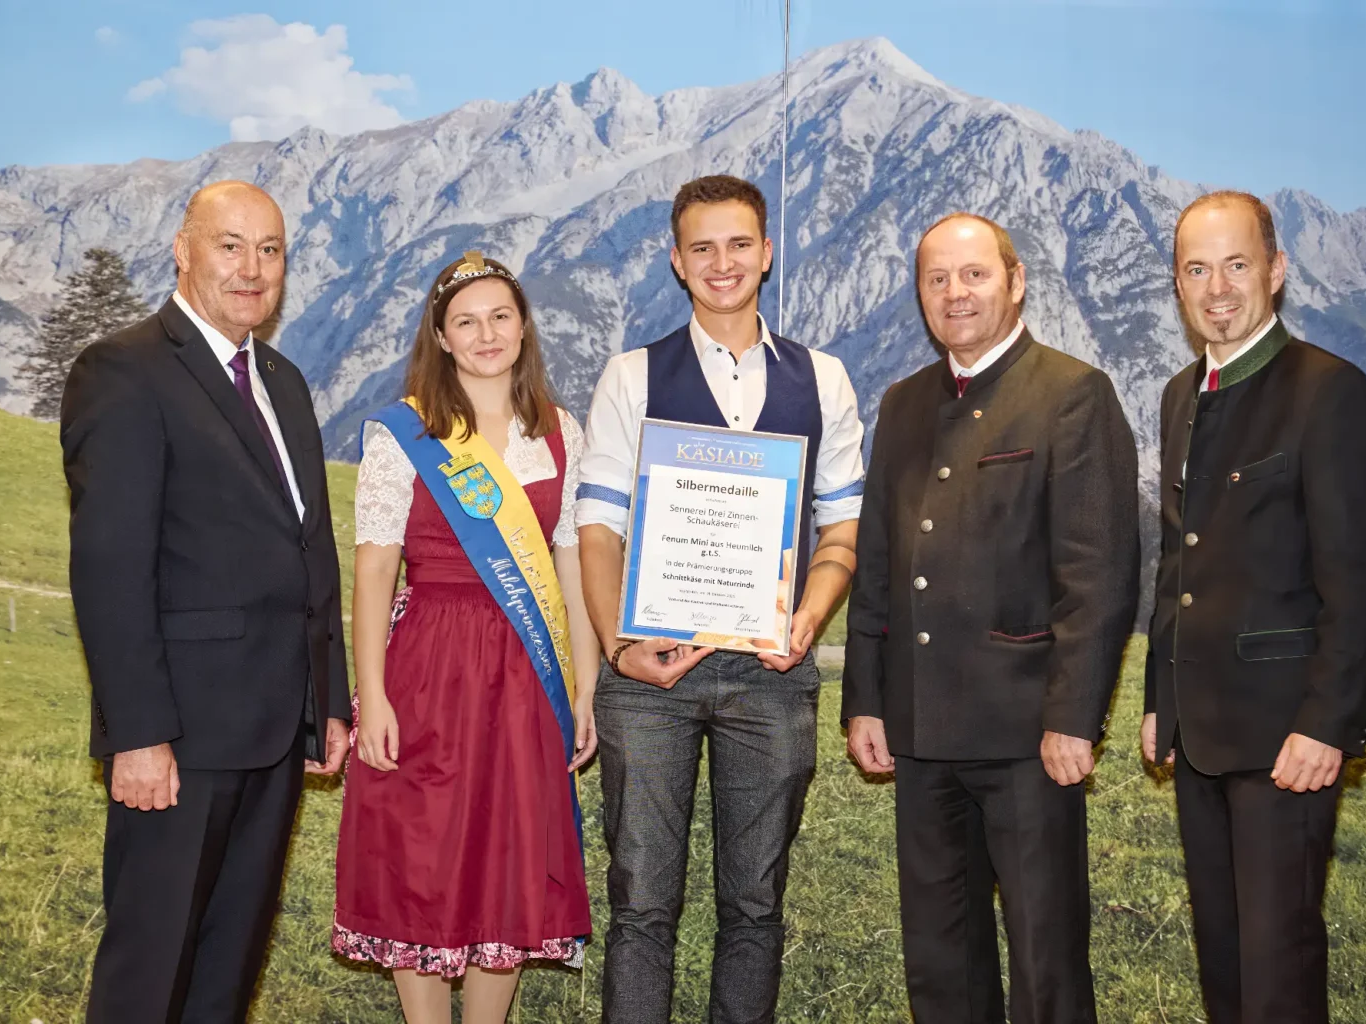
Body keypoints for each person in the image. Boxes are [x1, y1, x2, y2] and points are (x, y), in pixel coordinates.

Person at [575, 174, 866, 1023]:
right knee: (640, 906)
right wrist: (621, 648)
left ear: (767, 253)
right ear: (676, 261)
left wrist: (808, 618)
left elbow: (841, 532)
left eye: (739, 244)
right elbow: (599, 530)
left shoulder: (826, 380)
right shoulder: (632, 376)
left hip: (771, 675)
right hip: (649, 678)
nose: (722, 262)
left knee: (754, 907)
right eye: (701, 247)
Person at [62, 180, 351, 1023]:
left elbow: (310, 548)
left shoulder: (284, 381)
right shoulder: (124, 369)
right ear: (182, 250)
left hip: (273, 735)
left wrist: (324, 700)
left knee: (227, 974)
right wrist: (139, 735)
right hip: (179, 742)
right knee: (149, 979)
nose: (252, 269)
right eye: (230, 245)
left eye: (270, 250)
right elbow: (111, 569)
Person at [843, 213, 1139, 1023]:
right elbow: (877, 566)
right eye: (936, 279)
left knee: (1046, 963)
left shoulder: (1073, 393)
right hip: (921, 729)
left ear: (1015, 282)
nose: (954, 293)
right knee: (942, 962)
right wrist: (866, 699)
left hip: (1028, 736)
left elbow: (1100, 573)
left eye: (973, 275)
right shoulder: (902, 404)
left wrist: (1074, 718)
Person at [1142, 190, 1366, 1024]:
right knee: (1223, 956)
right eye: (1197, 269)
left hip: (1287, 736)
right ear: (1178, 285)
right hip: (1200, 732)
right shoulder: (1182, 395)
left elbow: (1358, 583)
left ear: (1277, 272)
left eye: (1237, 265)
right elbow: (1178, 560)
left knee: (1277, 967)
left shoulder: (1329, 391)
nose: (1217, 288)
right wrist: (1159, 699)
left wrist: (1330, 724)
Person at [332, 251, 597, 1024]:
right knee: (422, 846)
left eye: (500, 317)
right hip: (429, 664)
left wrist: (584, 686)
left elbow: (572, 563)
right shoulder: (403, 432)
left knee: (507, 851)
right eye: (466, 322)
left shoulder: (559, 432)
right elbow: (376, 571)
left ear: (523, 327)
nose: (486, 335)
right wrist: (372, 694)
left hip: (526, 667)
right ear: (442, 338)